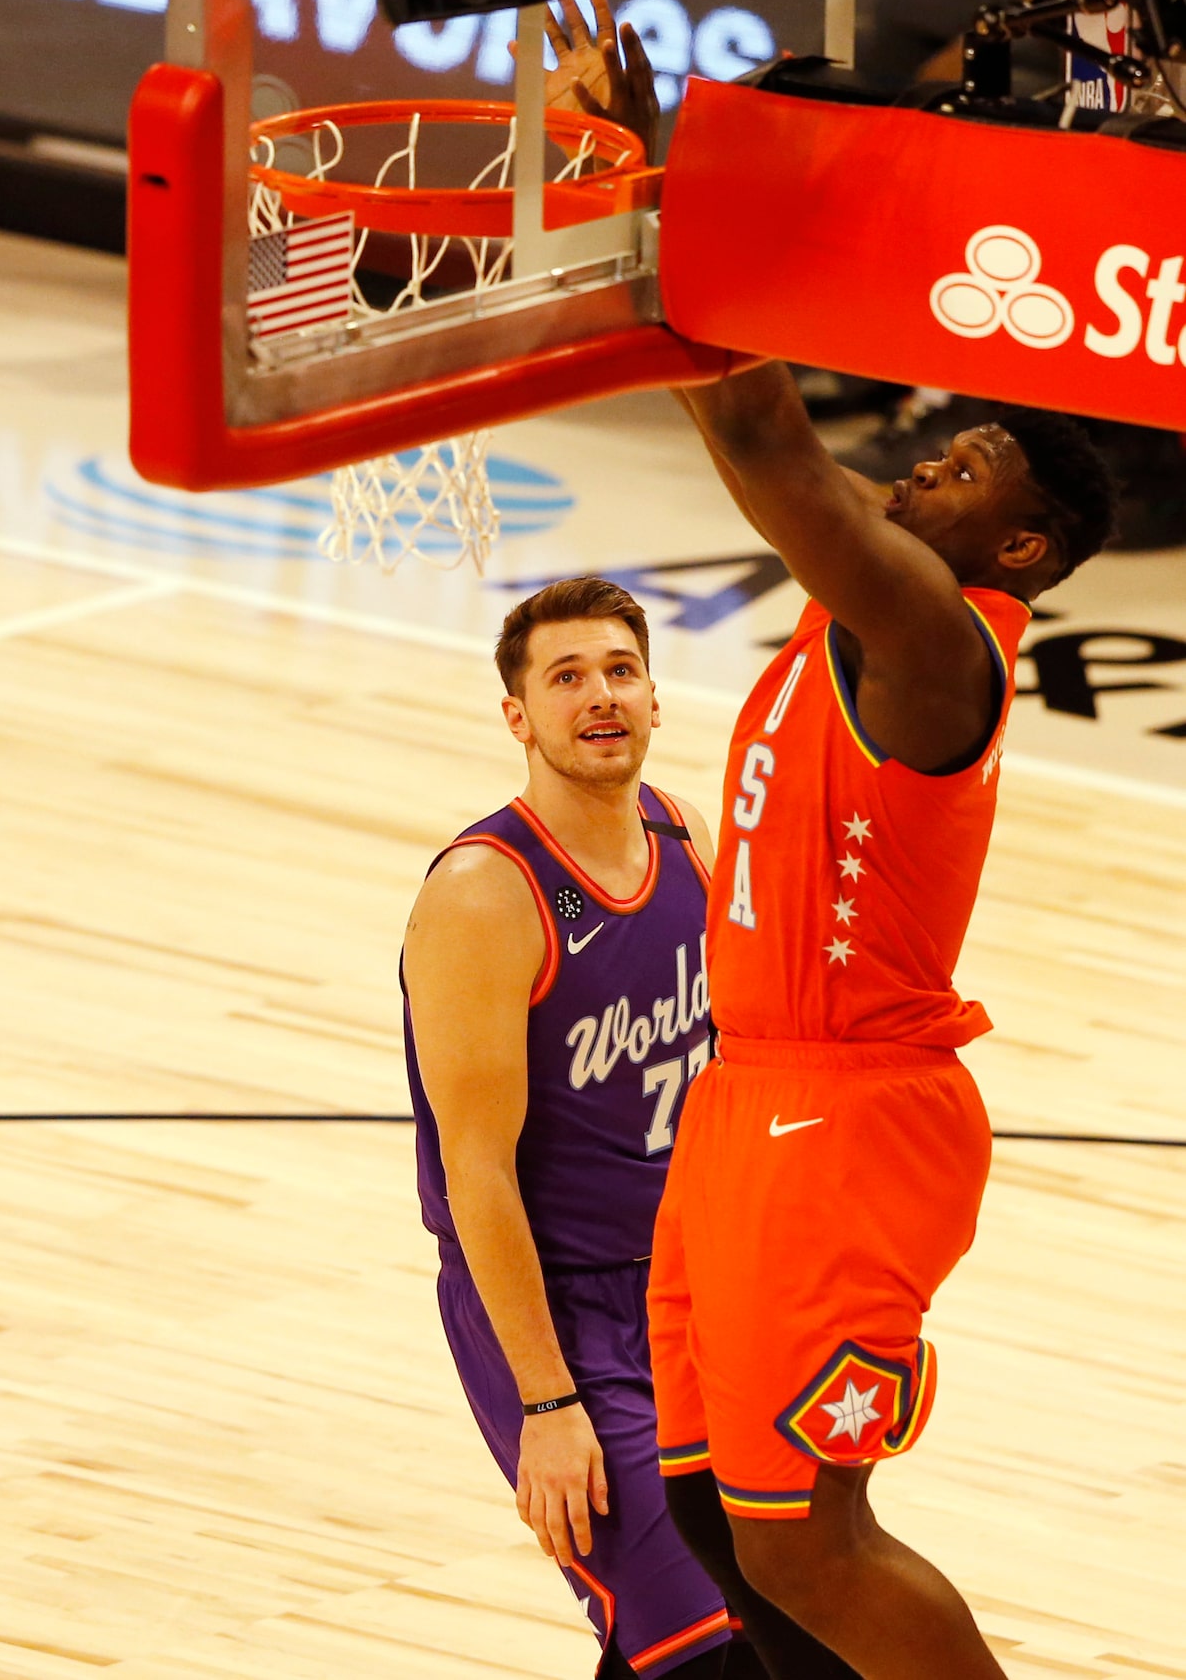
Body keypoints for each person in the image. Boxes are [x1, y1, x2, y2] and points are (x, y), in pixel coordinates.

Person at [650, 371, 1117, 1680]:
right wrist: (650, 336)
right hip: (747, 1096)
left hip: (844, 1121)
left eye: (961, 472)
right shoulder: (897, 568)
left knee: (807, 1535)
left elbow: (764, 437)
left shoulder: (929, 631)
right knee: (708, 1508)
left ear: (1018, 546)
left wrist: (663, 269)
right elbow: (772, 462)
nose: (914, 474)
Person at [402, 575, 856, 1680]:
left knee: (747, 1623)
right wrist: (546, 1402)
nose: (597, 697)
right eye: (565, 679)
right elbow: (477, 1175)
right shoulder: (484, 893)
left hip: (703, 1291)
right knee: (710, 1653)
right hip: (571, 1316)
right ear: (518, 717)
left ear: (655, 699)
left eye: (618, 672)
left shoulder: (682, 832)